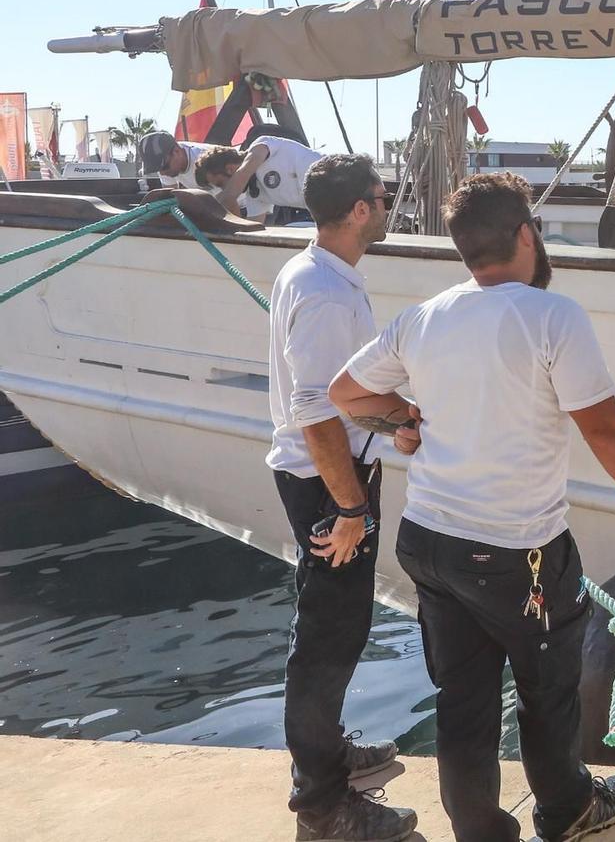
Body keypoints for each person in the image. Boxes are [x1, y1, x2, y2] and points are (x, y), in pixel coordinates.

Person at [330, 173, 615, 842]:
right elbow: (606, 430)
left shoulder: (425, 316)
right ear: (526, 234)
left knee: (461, 704)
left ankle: (482, 833)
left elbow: (345, 392)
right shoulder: (553, 315)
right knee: (547, 694)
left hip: (429, 541)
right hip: (515, 552)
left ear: (466, 249)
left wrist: (401, 418)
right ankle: (569, 810)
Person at [267, 154, 417, 842]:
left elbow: (341, 395)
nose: (386, 206)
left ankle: (328, 759)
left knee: (340, 629)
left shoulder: (320, 276)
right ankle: (324, 805)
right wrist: (353, 509)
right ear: (358, 209)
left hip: (333, 478)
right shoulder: (325, 292)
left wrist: (399, 421)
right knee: (326, 640)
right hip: (329, 487)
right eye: (382, 198)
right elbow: (318, 413)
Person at [199, 134, 325, 224]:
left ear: (230, 169)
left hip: (339, 180)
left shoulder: (261, 145)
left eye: (220, 184)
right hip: (329, 214)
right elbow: (254, 228)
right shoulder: (255, 195)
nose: (223, 189)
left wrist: (214, 206)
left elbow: (231, 192)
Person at [137, 129, 221, 188]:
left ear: (176, 151)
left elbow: (229, 200)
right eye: (157, 169)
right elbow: (169, 197)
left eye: (164, 167)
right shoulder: (165, 165)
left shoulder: (207, 159)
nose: (162, 173)